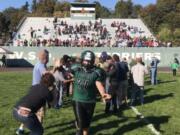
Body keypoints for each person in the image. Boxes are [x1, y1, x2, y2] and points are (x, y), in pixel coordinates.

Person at [70, 50, 111, 135]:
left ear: (92, 61)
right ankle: (78, 128)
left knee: (86, 125)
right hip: (78, 99)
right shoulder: (76, 68)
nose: (87, 63)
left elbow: (98, 83)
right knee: (81, 125)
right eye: (85, 60)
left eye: (89, 61)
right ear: (82, 60)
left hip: (90, 101)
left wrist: (103, 94)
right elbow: (67, 73)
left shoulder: (97, 72)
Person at [16, 49, 49, 135]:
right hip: (39, 93)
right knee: (40, 114)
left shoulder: (38, 64)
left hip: (33, 91)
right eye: (48, 56)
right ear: (45, 58)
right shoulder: (41, 65)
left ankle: (21, 129)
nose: (49, 58)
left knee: (28, 112)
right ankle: (37, 131)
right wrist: (56, 69)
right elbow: (48, 77)